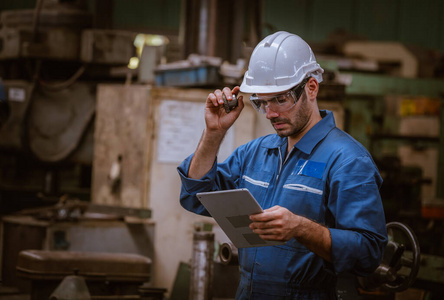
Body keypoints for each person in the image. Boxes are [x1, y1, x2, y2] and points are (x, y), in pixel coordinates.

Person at [177, 31, 387, 299]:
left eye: (280, 99)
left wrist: (301, 228)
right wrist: (214, 133)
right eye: (262, 103)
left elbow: (368, 253)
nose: (270, 113)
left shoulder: (348, 160)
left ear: (311, 88)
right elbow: (195, 196)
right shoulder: (256, 153)